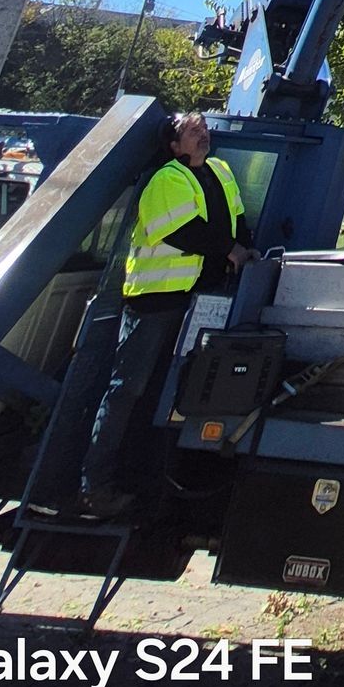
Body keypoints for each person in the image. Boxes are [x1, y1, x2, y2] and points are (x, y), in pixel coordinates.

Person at [78, 111, 253, 519]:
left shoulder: (221, 171)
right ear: (174, 146)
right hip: (155, 301)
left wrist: (246, 248)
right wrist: (230, 250)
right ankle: (95, 487)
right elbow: (183, 232)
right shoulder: (166, 179)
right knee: (128, 391)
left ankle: (145, 482)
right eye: (194, 132)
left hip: (198, 300)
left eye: (204, 130)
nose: (203, 135)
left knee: (171, 394)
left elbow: (237, 218)